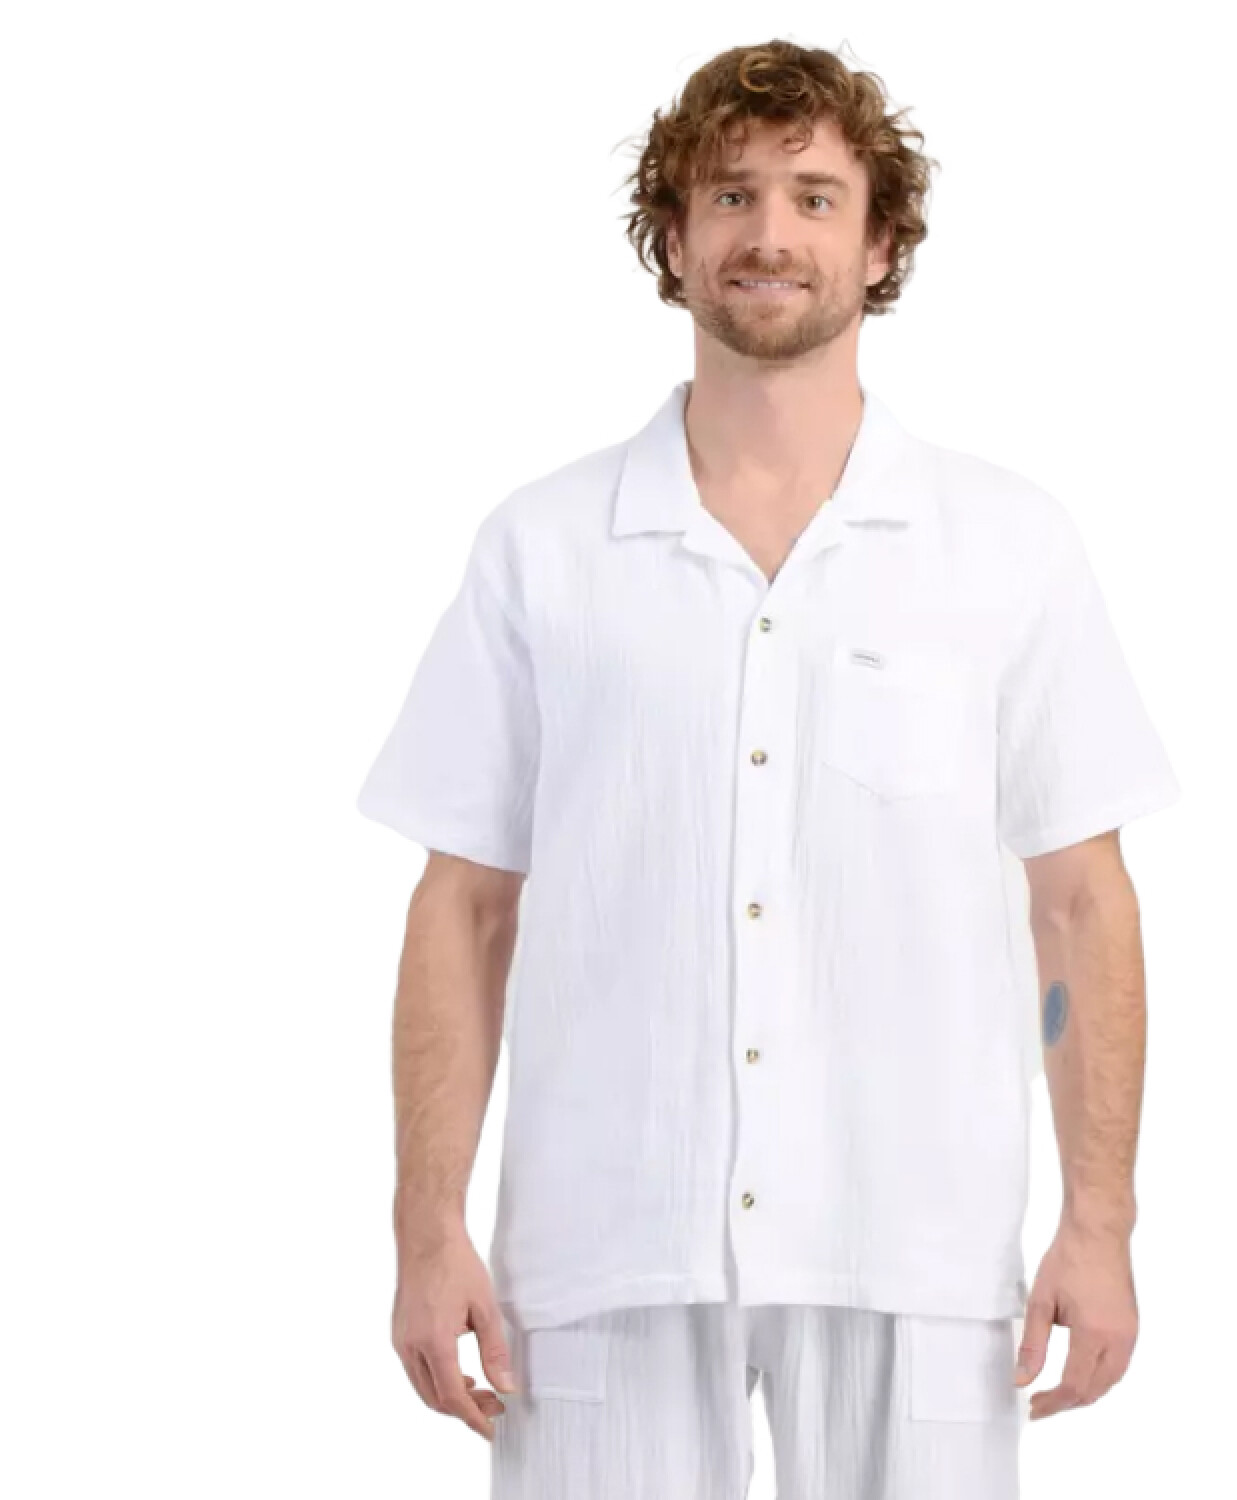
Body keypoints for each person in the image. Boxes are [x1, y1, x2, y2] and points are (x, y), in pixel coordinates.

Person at [355, 38, 1180, 1500]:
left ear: (882, 244)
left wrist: (1099, 1222)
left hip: (917, 1248)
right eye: (730, 195)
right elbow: (463, 908)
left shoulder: (1007, 547)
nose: (770, 233)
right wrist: (428, 1230)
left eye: (815, 196)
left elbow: (1080, 906)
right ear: (674, 240)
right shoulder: (544, 549)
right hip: (606, 1245)